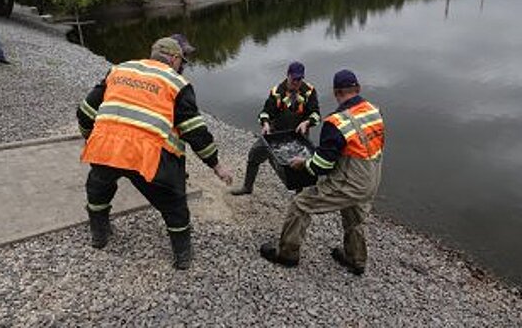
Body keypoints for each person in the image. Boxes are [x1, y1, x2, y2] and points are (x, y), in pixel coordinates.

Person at [76, 35, 233, 270]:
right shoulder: (177, 83)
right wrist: (216, 165)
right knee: (173, 204)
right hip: (147, 156)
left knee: (98, 188)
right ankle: (182, 256)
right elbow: (194, 132)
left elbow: (86, 111)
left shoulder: (119, 70)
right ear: (173, 58)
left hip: (106, 148)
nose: (184, 65)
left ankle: (99, 236)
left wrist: (92, 137)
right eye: (183, 60)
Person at [259, 69, 385, 276]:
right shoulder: (374, 110)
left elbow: (323, 165)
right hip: (373, 177)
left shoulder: (335, 122)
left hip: (350, 181)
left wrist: (304, 163)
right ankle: (356, 259)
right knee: (354, 216)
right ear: (358, 89)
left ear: (336, 92)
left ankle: (287, 254)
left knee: (300, 204)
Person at [230, 61, 321, 195]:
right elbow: (265, 112)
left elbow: (316, 114)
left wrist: (307, 122)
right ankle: (247, 187)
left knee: (299, 165)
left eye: (299, 79)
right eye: (294, 78)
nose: (296, 82)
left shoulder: (309, 91)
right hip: (276, 134)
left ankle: (299, 193)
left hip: (298, 135)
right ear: (288, 75)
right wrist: (265, 124)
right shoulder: (277, 91)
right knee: (254, 154)